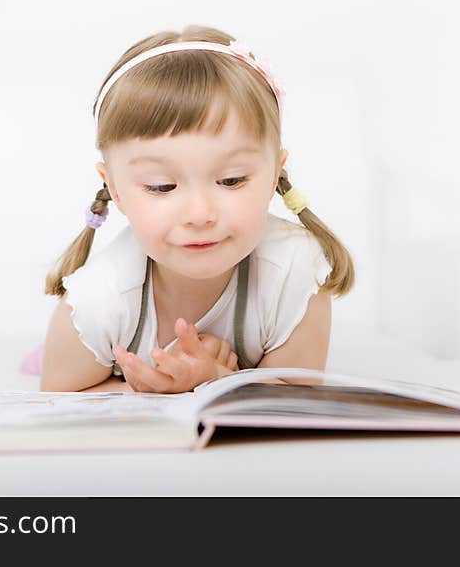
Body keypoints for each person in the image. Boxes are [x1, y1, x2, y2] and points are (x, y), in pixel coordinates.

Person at [27, 25, 354, 393]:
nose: (199, 214)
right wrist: (159, 388)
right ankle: (62, 355)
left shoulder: (294, 271)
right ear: (115, 190)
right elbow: (58, 399)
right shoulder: (99, 300)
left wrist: (215, 380)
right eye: (162, 186)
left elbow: (297, 394)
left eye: (231, 180)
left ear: (276, 173)